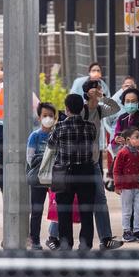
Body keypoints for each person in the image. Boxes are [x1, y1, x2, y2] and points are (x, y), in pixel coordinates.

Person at [47, 94, 96, 250]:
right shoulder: (90, 127)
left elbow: (51, 144)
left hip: (64, 173)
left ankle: (66, 244)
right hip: (86, 172)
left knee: (64, 211)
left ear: (66, 109)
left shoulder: (60, 127)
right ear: (82, 108)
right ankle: (85, 244)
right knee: (86, 211)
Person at [82, 80, 124, 249]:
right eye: (95, 88)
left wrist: (103, 97)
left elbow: (115, 108)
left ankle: (105, 239)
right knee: (73, 202)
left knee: (100, 200)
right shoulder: (81, 110)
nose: (98, 91)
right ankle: (56, 236)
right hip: (78, 163)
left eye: (99, 88)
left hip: (93, 163)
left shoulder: (99, 110)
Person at [111, 87, 139, 233]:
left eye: (133, 101)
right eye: (127, 101)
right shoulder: (121, 119)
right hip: (125, 168)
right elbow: (114, 142)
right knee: (127, 200)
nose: (130, 104)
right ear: (123, 102)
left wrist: (130, 145)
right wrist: (117, 141)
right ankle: (128, 228)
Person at [26, 102, 57, 250]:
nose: (48, 118)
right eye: (45, 115)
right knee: (36, 211)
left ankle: (55, 238)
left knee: (57, 210)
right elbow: (29, 158)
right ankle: (35, 240)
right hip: (38, 178)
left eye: (51, 116)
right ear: (39, 118)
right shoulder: (35, 136)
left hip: (54, 179)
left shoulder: (57, 134)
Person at [113, 128, 139, 242]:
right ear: (128, 140)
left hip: (137, 186)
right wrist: (117, 185)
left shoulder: (138, 153)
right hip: (126, 188)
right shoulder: (122, 153)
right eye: (137, 137)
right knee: (127, 210)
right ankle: (126, 231)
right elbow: (116, 169)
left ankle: (137, 230)